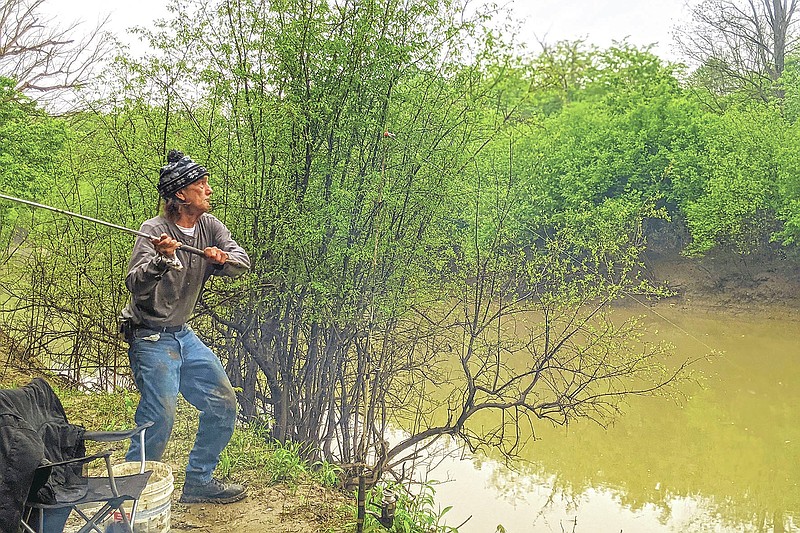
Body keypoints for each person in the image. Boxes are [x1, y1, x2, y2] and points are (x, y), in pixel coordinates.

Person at [120, 149, 250, 504]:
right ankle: (130, 501)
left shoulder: (211, 226)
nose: (209, 190)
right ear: (180, 194)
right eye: (201, 185)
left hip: (182, 335)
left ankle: (198, 482)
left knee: (223, 402)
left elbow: (242, 261)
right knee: (160, 415)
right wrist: (162, 259)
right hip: (148, 335)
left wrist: (222, 259)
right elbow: (135, 284)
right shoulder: (154, 230)